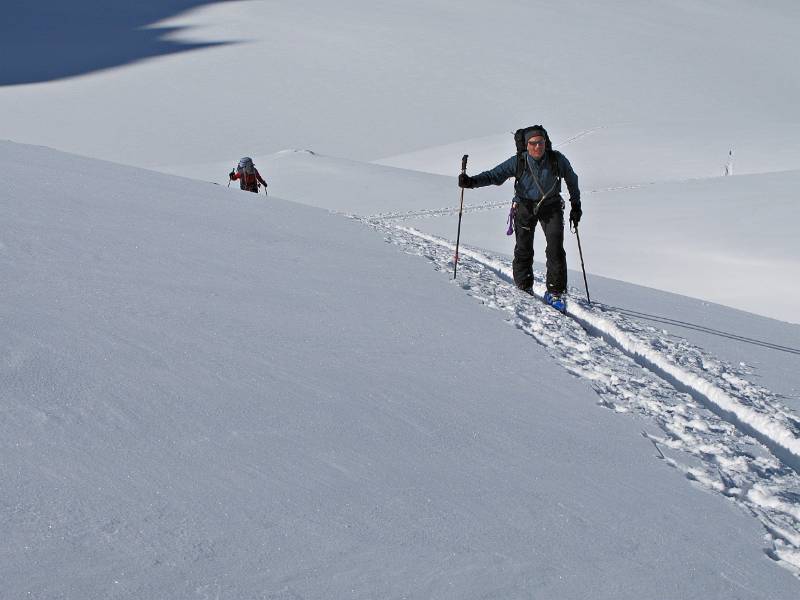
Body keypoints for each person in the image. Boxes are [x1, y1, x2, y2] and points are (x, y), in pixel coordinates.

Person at [458, 125, 581, 306]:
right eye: (533, 143)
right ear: (526, 144)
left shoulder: (557, 160)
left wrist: (576, 205)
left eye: (540, 142)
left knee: (555, 248)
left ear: (545, 143)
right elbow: (494, 175)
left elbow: (572, 179)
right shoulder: (518, 161)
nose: (537, 147)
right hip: (524, 206)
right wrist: (471, 182)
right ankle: (524, 286)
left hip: (551, 206)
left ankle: (555, 292)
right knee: (524, 247)